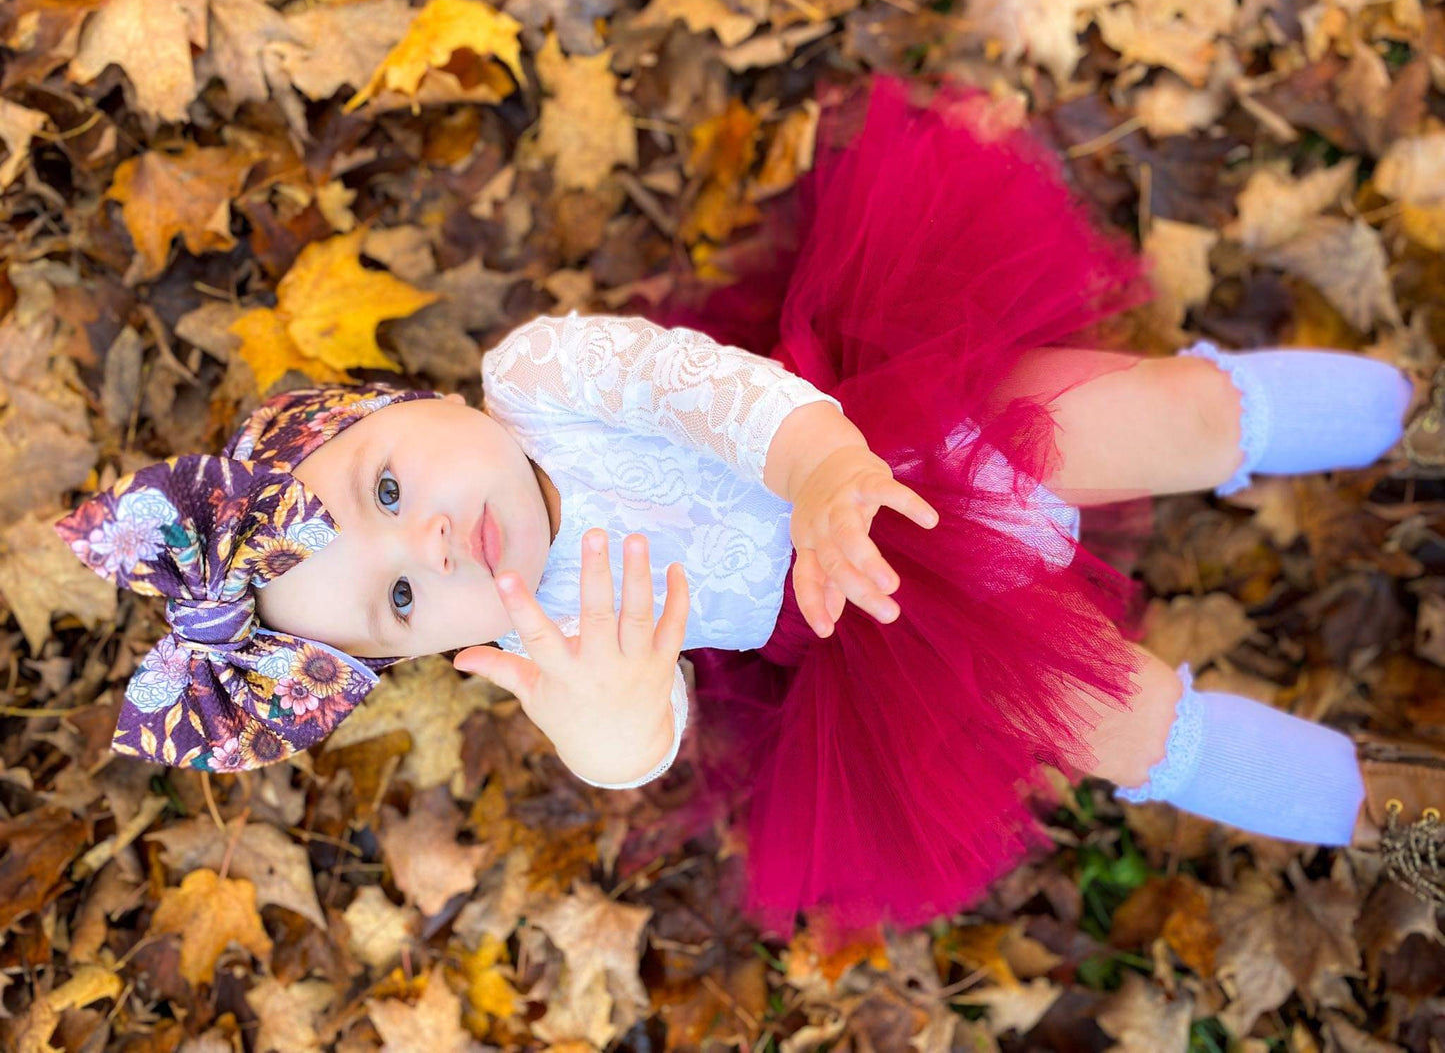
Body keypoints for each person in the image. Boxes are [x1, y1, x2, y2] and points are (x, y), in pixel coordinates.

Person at [54, 72, 1444, 951]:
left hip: (897, 439)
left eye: (389, 489)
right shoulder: (550, 632)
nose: (427, 546)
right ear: (432, 650)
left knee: (1168, 417)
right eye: (401, 601)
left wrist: (823, 473)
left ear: (388, 400)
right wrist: (602, 720)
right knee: (1122, 725)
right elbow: (642, 734)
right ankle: (1381, 807)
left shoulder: (537, 376)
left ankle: (1402, 407)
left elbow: (698, 387)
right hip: (883, 631)